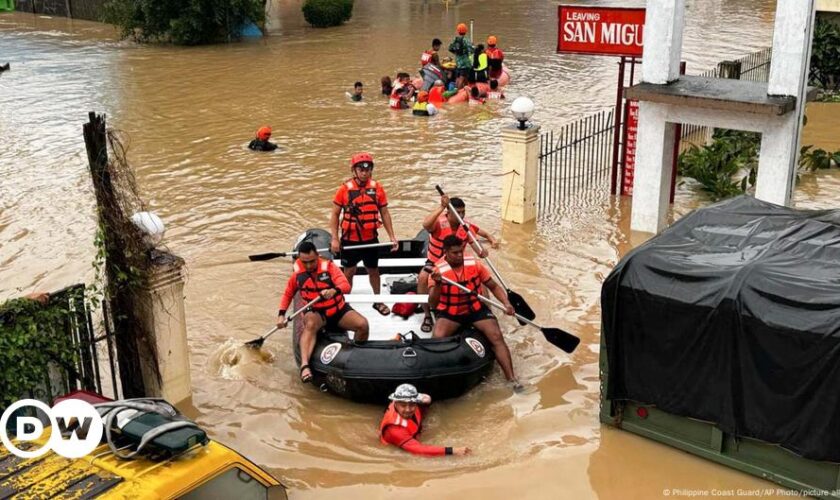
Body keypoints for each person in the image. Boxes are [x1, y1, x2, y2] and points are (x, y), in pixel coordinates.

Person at [428, 235, 518, 385]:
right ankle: (438, 379)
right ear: (446, 252)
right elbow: (432, 302)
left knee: (496, 336)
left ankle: (512, 379)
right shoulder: (437, 270)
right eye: (454, 253)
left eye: (460, 252)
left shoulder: (475, 265)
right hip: (451, 313)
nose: (459, 256)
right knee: (437, 340)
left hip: (475, 310)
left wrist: (506, 303)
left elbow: (493, 286)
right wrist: (438, 284)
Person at [276, 241, 369, 383]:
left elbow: (345, 285)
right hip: (316, 312)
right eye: (305, 262)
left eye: (312, 261)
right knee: (311, 324)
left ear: (318, 256)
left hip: (337, 310)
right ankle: (305, 366)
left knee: (363, 325)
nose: (308, 266)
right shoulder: (297, 274)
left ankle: (355, 357)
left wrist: (333, 290)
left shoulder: (329, 267)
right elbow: (288, 294)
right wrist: (281, 315)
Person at [330, 152, 398, 316]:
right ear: (354, 171)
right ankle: (345, 303)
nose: (364, 172)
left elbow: (385, 213)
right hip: (350, 239)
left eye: (368, 169)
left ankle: (378, 300)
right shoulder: (344, 190)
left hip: (370, 239)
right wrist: (335, 238)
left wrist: (392, 237)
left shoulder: (377, 188)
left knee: (373, 271)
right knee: (349, 272)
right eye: (360, 169)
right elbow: (334, 215)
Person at [418, 195, 498, 332]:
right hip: (436, 262)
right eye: (457, 212)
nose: (461, 215)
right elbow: (425, 225)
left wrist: (483, 250)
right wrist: (442, 206)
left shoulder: (465, 226)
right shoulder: (438, 223)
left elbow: (475, 240)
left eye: (463, 212)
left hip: (457, 262)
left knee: (480, 278)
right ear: (448, 212)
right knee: (422, 278)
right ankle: (427, 315)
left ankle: (487, 312)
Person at [380, 383, 471, 457]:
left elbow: (426, 399)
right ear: (395, 404)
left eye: (412, 404)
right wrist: (452, 451)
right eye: (403, 405)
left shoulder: (417, 404)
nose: (408, 409)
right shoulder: (394, 430)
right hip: (403, 445)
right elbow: (419, 449)